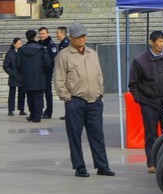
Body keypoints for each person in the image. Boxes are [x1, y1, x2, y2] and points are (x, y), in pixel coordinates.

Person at [55, 23, 113, 178]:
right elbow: (59, 78)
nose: (82, 39)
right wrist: (66, 97)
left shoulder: (92, 53)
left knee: (97, 135)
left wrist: (100, 92)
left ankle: (102, 166)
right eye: (79, 36)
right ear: (71, 38)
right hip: (75, 101)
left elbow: (98, 74)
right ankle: (79, 167)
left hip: (94, 101)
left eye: (84, 36)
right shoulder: (64, 55)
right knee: (75, 135)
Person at [130, 30, 163, 173]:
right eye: (159, 41)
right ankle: (152, 162)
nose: (162, 44)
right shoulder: (139, 61)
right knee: (151, 134)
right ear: (151, 42)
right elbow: (133, 84)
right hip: (149, 103)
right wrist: (141, 100)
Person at [18, 29, 51, 124]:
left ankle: (32, 114)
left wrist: (23, 73)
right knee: (38, 97)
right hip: (39, 76)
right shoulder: (41, 49)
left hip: (27, 77)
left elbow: (18, 64)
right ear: (35, 36)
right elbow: (47, 63)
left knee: (30, 96)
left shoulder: (22, 49)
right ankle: (37, 115)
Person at [3, 37, 26, 117]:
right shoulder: (10, 53)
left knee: (22, 94)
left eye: (21, 43)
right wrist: (11, 73)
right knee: (12, 94)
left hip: (22, 76)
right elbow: (6, 65)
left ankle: (21, 109)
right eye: (19, 43)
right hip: (13, 76)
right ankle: (10, 110)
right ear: (14, 44)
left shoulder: (24, 52)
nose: (20, 45)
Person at [37, 26, 56, 119]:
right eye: (40, 34)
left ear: (47, 34)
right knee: (38, 92)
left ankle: (49, 112)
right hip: (38, 72)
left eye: (43, 33)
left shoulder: (50, 44)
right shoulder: (38, 44)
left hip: (47, 72)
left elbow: (52, 58)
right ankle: (39, 110)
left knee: (47, 92)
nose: (41, 35)